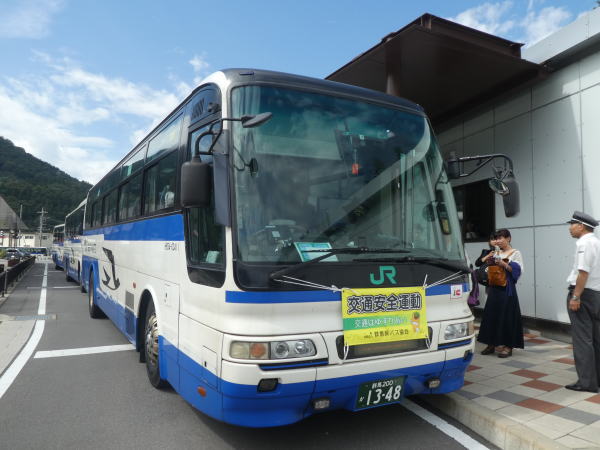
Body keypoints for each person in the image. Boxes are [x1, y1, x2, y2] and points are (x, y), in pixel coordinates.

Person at [565, 211, 600, 393]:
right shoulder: (597, 242)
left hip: (583, 295)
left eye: (572, 224)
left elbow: (583, 272)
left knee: (582, 340)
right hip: (595, 295)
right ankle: (596, 379)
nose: (570, 228)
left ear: (581, 226)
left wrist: (576, 296)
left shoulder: (584, 243)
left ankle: (587, 383)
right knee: (595, 338)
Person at [477, 229, 524, 358]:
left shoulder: (515, 253)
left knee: (508, 317)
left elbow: (518, 271)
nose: (498, 241)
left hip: (507, 289)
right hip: (494, 288)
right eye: (496, 238)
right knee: (491, 315)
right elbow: (482, 265)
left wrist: (503, 264)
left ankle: (508, 346)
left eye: (500, 238)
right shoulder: (496, 252)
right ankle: (491, 343)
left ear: (508, 238)